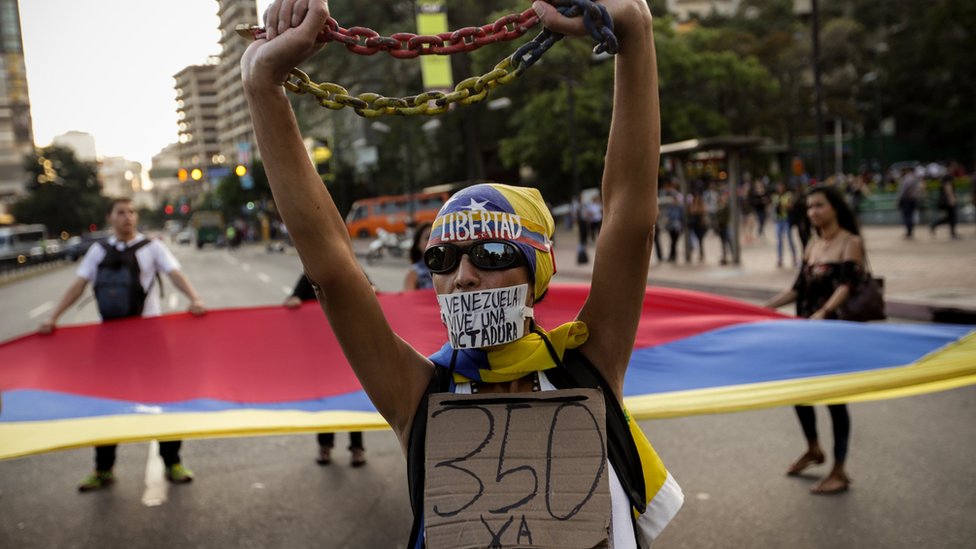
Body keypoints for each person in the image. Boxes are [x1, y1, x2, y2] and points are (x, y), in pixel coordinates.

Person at [242, 1, 682, 546]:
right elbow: (332, 270)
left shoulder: (588, 366)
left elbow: (629, 220)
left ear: (537, 269)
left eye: (491, 255)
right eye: (442, 260)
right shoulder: (418, 393)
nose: (463, 277)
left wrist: (636, 34)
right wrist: (264, 86)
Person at [39, 197, 207, 492]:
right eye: (121, 213)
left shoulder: (152, 247)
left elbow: (174, 274)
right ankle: (103, 468)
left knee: (163, 399)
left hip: (149, 337)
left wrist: (194, 298)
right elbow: (77, 286)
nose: (127, 217)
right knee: (106, 403)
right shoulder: (98, 250)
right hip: (110, 340)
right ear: (110, 218)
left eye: (131, 212)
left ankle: (173, 462)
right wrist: (53, 317)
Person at [764, 186, 866, 495]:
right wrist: (763, 309)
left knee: (835, 401)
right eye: (809, 208)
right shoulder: (812, 244)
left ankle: (839, 469)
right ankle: (813, 448)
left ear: (834, 207)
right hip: (805, 330)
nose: (813, 212)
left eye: (819, 206)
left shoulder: (851, 242)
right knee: (799, 392)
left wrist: (824, 311)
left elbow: (847, 285)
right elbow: (797, 288)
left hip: (833, 331)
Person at [284, 274, 368, 466]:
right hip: (321, 354)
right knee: (326, 401)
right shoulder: (310, 276)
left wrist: (370, 290)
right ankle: (325, 445)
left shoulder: (351, 270)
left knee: (352, 401)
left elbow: (371, 291)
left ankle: (357, 448)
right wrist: (294, 301)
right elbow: (292, 298)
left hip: (348, 351)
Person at [771, 180, 797, 267]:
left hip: (786, 219)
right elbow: (773, 207)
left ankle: (794, 258)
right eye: (779, 186)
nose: (780, 188)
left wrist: (783, 205)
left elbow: (791, 206)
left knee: (790, 240)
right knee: (779, 241)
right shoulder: (775, 196)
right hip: (778, 220)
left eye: (781, 186)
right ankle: (779, 259)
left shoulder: (788, 195)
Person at [403, 223, 433, 291]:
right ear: (418, 244)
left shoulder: (451, 268)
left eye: (436, 236)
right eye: (428, 238)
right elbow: (409, 299)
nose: (433, 241)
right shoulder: (414, 273)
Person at [895, 166, 923, 239]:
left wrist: (898, 200)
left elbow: (902, 191)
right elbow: (919, 189)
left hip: (907, 200)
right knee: (911, 216)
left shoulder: (906, 179)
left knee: (907, 216)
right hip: (914, 199)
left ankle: (909, 232)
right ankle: (910, 232)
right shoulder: (915, 178)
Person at [929, 175, 960, 239]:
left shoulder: (942, 183)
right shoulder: (947, 183)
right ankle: (952, 233)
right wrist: (952, 200)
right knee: (952, 217)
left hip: (945, 203)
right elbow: (949, 191)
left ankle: (934, 225)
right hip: (948, 202)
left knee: (949, 218)